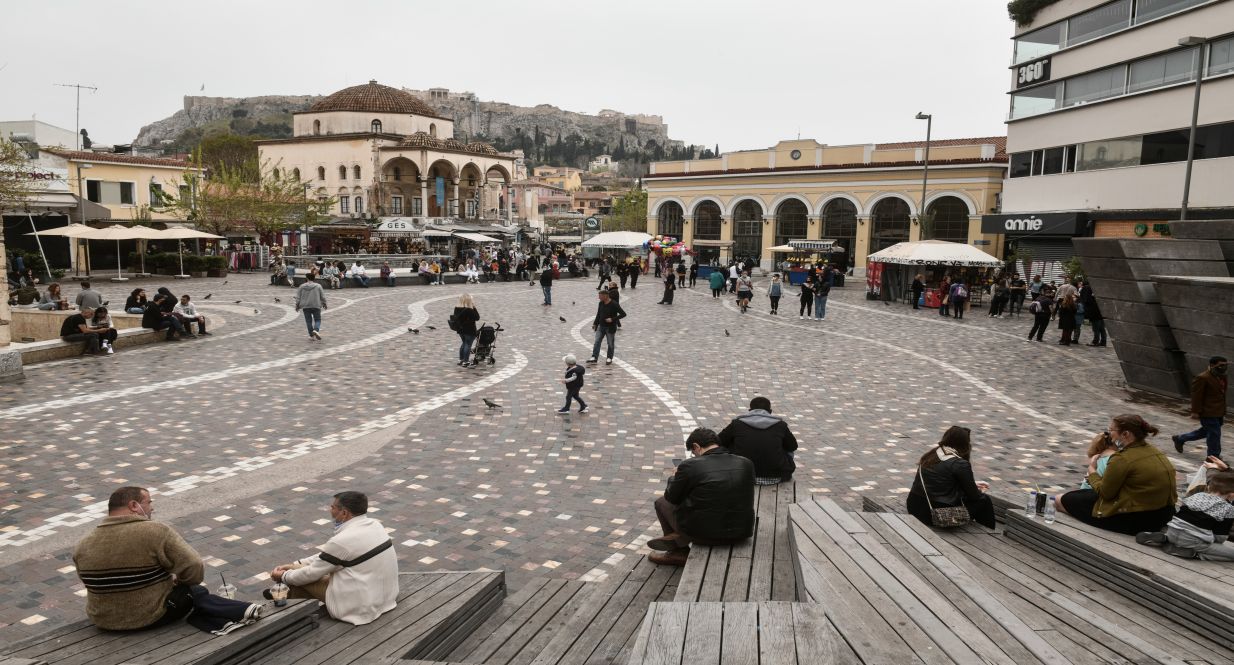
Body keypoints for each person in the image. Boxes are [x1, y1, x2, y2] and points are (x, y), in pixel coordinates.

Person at [74, 486, 262, 632]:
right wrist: (181, 582)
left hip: (102, 621)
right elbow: (194, 566)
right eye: (148, 502)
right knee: (196, 591)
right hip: (149, 618)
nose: (152, 507)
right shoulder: (154, 531)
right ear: (133, 506)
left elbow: (94, 582)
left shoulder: (84, 543)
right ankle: (240, 612)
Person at [268, 491, 399, 626]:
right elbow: (329, 557)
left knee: (296, 582)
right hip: (384, 596)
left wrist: (283, 576)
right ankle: (284, 599)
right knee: (297, 576)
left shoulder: (341, 541)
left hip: (360, 606)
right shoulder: (375, 525)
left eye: (333, 507)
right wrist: (294, 565)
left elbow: (311, 574)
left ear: (344, 513)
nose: (330, 510)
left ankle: (284, 612)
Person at [646, 428, 755, 566]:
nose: (694, 456)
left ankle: (678, 551)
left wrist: (674, 477)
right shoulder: (746, 463)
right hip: (742, 532)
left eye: (693, 453)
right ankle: (676, 538)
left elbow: (672, 497)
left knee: (661, 502)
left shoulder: (690, 466)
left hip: (705, 535)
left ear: (696, 446)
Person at [1056, 414, 1178, 536]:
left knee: (1060, 500)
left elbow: (1105, 493)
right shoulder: (1155, 452)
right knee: (1080, 496)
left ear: (1125, 434)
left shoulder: (1122, 458)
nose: (1110, 435)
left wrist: (1092, 469)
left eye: (1111, 430)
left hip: (1139, 520)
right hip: (1164, 515)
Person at [906, 426, 996, 529]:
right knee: (984, 500)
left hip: (914, 507)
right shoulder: (959, 463)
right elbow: (974, 496)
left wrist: (972, 484)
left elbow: (939, 481)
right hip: (935, 515)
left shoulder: (932, 454)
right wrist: (975, 489)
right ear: (964, 444)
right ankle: (989, 533)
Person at [1137, 469, 1234, 560]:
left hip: (1172, 531)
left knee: (1183, 533)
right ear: (1232, 495)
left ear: (1209, 487)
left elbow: (1181, 514)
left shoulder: (1196, 495)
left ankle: (1165, 539)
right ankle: (1195, 554)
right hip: (1194, 542)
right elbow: (1220, 538)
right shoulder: (1228, 508)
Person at [719, 397, 798, 484]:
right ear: (770, 411)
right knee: (788, 448)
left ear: (750, 410)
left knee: (727, 444)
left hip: (741, 476)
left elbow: (719, 441)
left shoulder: (736, 424)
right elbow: (793, 446)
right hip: (776, 476)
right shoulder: (781, 425)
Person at [1173, 356, 1228, 459]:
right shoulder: (1203, 377)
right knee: (1214, 434)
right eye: (1221, 365)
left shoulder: (1222, 376)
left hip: (1218, 411)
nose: (1224, 367)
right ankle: (1213, 457)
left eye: (1226, 365)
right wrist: (1195, 411)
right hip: (1207, 411)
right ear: (1212, 365)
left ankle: (1180, 438)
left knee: (1206, 431)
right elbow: (1196, 396)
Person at [588, 290, 626, 365]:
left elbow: (623, 314)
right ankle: (594, 357)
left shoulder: (614, 304)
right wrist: (595, 323)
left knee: (610, 343)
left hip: (610, 328)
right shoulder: (601, 303)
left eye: (600, 296)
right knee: (597, 342)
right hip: (601, 326)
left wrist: (612, 319)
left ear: (605, 296)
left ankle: (609, 358)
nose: (599, 298)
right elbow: (598, 314)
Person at [295, 272, 327, 341]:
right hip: (316, 305)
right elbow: (323, 296)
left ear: (307, 278)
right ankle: (316, 330)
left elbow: (298, 297)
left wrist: (297, 305)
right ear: (314, 278)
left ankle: (311, 335)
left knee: (308, 321)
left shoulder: (302, 286)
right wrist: (324, 303)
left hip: (306, 306)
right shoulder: (318, 286)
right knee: (318, 319)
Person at [453, 294, 481, 367]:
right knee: (468, 345)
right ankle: (466, 361)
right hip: (469, 330)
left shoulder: (457, 308)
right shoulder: (469, 310)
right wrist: (474, 307)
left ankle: (461, 360)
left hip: (460, 330)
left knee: (464, 343)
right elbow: (477, 317)